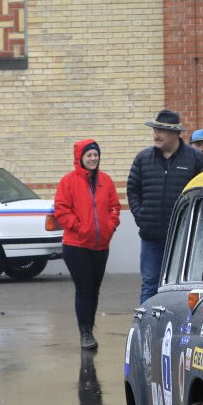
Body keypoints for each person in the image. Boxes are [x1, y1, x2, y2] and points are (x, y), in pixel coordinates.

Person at [127, 109, 203, 304]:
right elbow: (133, 190)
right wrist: (142, 217)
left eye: (162, 131)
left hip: (186, 240)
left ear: (175, 133)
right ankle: (147, 324)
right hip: (152, 238)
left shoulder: (196, 159)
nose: (156, 135)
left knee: (185, 289)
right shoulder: (143, 159)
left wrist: (198, 225)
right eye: (155, 130)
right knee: (150, 285)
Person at [53, 140, 121, 352]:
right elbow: (61, 210)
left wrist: (110, 226)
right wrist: (79, 227)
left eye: (95, 155)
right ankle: (85, 333)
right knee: (84, 288)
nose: (93, 159)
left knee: (94, 290)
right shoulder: (68, 182)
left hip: (100, 245)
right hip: (76, 245)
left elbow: (114, 206)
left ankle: (89, 328)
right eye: (89, 155)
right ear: (80, 158)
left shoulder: (105, 181)